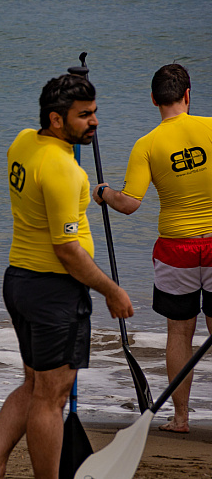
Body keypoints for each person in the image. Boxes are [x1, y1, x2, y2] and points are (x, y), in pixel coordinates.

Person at [0, 74, 134, 479]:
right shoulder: (65, 172)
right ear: (56, 119)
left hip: (19, 281)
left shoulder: (22, 141)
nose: (94, 122)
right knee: (52, 397)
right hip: (54, 291)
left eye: (95, 112)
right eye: (84, 115)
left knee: (33, 384)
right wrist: (111, 290)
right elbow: (67, 251)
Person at [92, 63, 212, 434]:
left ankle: (180, 418)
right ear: (188, 95)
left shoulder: (146, 145)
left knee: (180, 334)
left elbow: (129, 203)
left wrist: (103, 193)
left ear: (153, 100)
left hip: (176, 251)